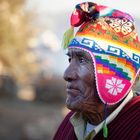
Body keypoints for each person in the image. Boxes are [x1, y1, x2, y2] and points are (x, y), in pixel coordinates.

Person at [53, 2, 140, 140]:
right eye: (70, 59)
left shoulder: (135, 125)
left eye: (82, 60)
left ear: (117, 73)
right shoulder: (71, 122)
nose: (67, 75)